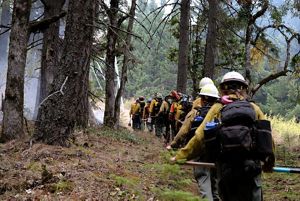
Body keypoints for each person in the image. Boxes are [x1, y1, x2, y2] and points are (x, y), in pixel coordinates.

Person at [172, 71, 275, 201]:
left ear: (222, 88)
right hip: (251, 167)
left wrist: (181, 156)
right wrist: (269, 163)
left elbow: (199, 136)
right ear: (243, 88)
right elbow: (267, 137)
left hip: (226, 168)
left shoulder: (218, 108)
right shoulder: (253, 107)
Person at [168, 84, 220, 201]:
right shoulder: (221, 112)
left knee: (203, 178)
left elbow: (183, 131)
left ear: (202, 99)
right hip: (217, 153)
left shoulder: (195, 113)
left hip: (200, 152)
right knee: (215, 181)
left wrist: (173, 145)